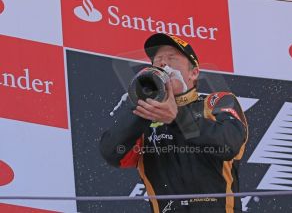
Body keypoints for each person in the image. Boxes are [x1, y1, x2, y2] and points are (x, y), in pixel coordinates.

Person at [100, 33, 248, 213]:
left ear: (194, 73)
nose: (163, 63)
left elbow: (228, 144)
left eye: (172, 58)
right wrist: (143, 104)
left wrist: (177, 117)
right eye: (158, 60)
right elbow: (112, 153)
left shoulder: (216, 101)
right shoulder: (143, 113)